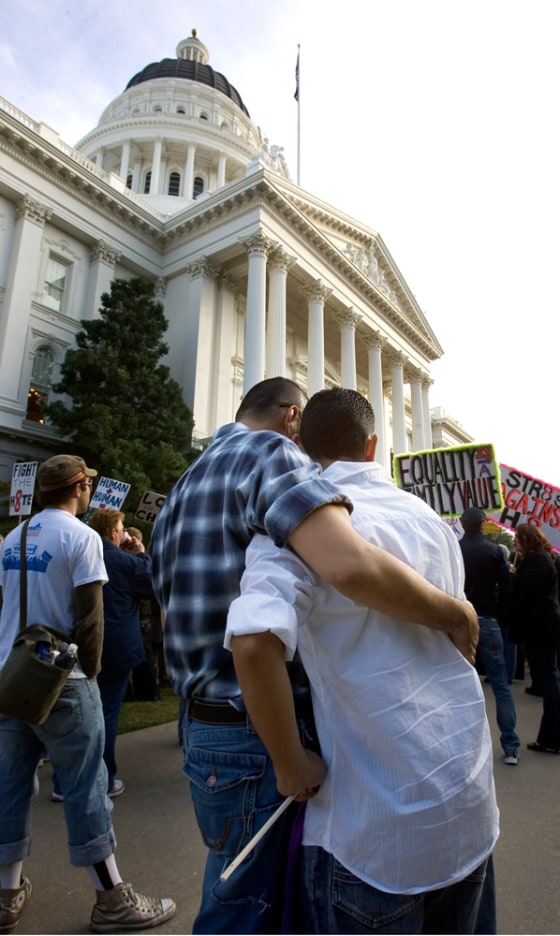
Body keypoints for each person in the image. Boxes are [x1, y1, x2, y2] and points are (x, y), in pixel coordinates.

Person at [150, 376, 479, 935]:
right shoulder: (269, 452)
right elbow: (347, 564)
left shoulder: (187, 479)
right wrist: (455, 613)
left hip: (202, 726)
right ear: (292, 418)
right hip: (258, 725)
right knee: (249, 910)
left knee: (233, 892)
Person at [0, 455, 176, 932]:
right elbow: (90, 619)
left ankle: (6, 891)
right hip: (65, 681)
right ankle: (112, 898)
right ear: (78, 487)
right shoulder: (81, 537)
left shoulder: (14, 538)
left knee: (11, 785)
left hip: (13, 677)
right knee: (86, 788)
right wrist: (91, 673)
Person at [87, 508, 156, 796]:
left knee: (82, 712)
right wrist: (140, 553)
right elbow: (151, 581)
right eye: (122, 526)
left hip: (83, 642)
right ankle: (103, 777)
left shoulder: (84, 549)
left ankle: (65, 781)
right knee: (105, 713)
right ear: (114, 531)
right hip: (113, 646)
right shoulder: (118, 560)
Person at [459, 506, 520, 765]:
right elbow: (507, 588)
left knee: (458, 683)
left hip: (459, 620)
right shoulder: (495, 551)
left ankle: (463, 747)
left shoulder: (454, 548)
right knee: (500, 685)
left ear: (462, 524)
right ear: (483, 525)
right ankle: (510, 746)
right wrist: (498, 614)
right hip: (487, 619)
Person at [510, 523, 560, 754]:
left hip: (542, 628)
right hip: (541, 627)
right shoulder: (539, 559)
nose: (515, 542)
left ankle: (552, 738)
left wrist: (510, 573)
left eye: (518, 538)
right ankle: (550, 737)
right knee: (548, 678)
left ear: (527, 539)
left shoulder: (539, 561)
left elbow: (520, 585)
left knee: (549, 681)